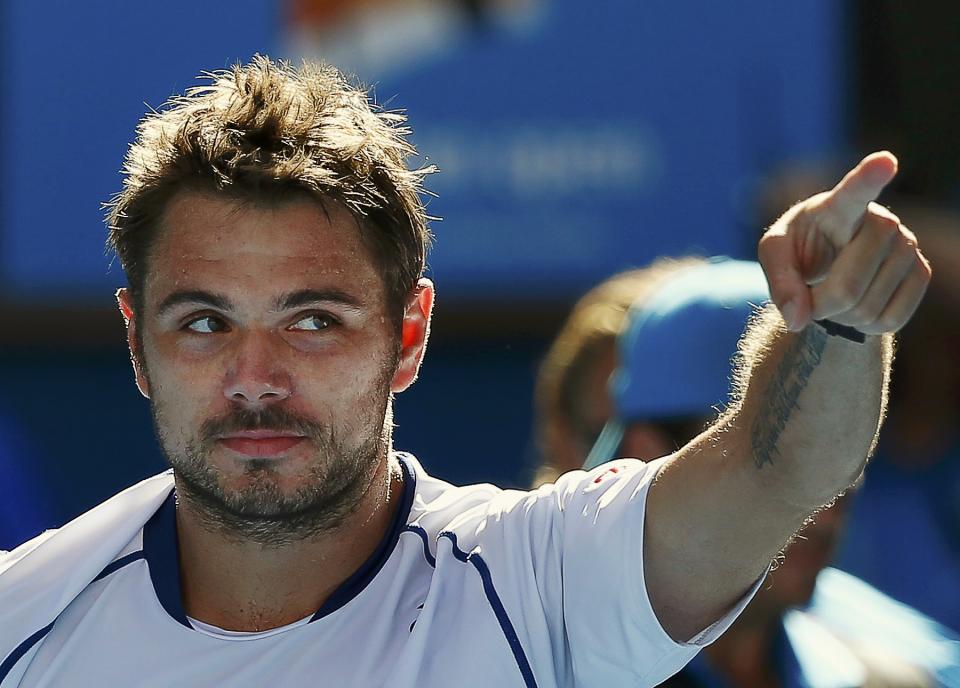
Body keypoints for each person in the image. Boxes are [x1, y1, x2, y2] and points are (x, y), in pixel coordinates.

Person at [0, 55, 931, 687]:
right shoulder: (22, 620)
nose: (254, 376)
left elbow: (778, 474)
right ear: (137, 345)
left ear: (410, 337)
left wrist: (837, 329)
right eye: (204, 323)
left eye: (313, 321)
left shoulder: (540, 578)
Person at [535, 257, 958, 686]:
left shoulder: (909, 670)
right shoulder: (526, 662)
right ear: (653, 458)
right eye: (776, 460)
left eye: (842, 457)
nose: (826, 502)